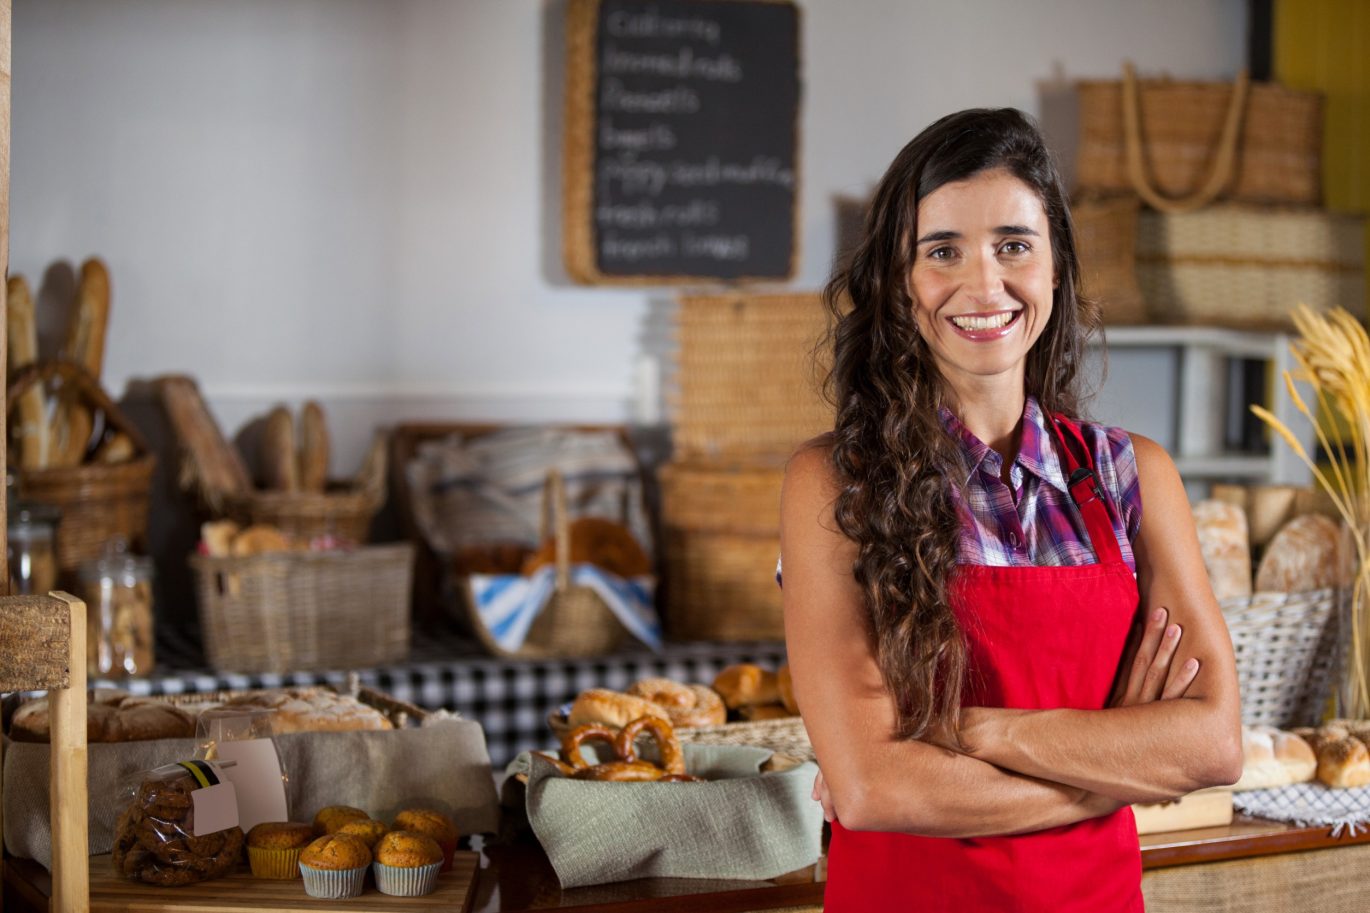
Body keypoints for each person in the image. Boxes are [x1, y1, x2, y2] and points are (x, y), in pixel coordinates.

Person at [779, 108, 1243, 912]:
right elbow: (872, 787)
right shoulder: (834, 482)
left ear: (1056, 268)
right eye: (943, 251)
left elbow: (1212, 743)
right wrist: (1109, 771)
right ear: (899, 282)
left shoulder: (1133, 476)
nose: (983, 283)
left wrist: (982, 730)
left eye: (1014, 245)